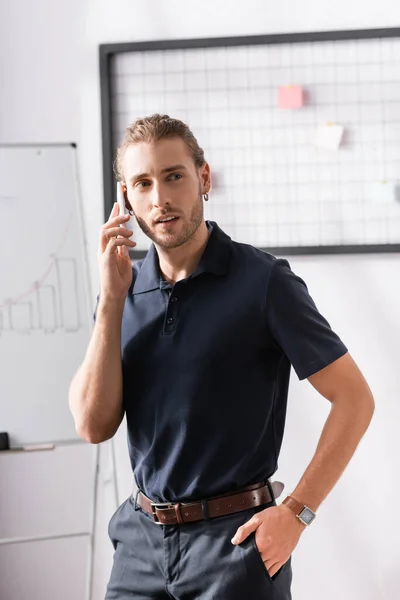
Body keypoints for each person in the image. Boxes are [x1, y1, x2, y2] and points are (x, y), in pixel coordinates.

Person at [69, 114, 375, 600]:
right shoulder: (121, 292)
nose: (160, 199)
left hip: (234, 548)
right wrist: (109, 301)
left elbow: (355, 400)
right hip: (139, 546)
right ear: (125, 198)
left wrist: (296, 513)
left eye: (174, 176)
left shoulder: (265, 282)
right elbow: (93, 425)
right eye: (142, 183)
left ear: (203, 178)